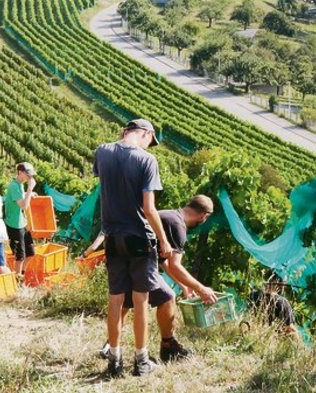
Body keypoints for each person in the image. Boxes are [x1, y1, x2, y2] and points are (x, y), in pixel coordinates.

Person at [87, 194, 220, 363]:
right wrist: (202, 289)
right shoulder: (177, 226)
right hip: (138, 261)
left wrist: (184, 286)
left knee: (125, 302)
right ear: (204, 216)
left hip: (121, 254)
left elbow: (162, 261)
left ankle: (110, 346)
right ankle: (168, 347)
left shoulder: (168, 215)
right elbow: (174, 265)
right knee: (167, 297)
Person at [93, 118, 174, 377]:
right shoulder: (147, 160)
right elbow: (149, 209)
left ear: (124, 131)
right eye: (151, 141)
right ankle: (141, 361)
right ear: (146, 134)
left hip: (112, 236)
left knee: (115, 299)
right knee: (140, 300)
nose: (151, 146)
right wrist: (164, 240)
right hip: (139, 237)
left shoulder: (102, 152)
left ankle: (114, 360)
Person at [4, 162, 36, 278]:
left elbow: (21, 199)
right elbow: (23, 206)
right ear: (20, 172)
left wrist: (30, 193)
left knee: (31, 253)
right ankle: (17, 278)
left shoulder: (20, 185)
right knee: (20, 255)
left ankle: (20, 274)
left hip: (22, 223)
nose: (30, 177)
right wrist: (30, 189)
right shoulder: (14, 186)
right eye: (28, 174)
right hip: (14, 225)